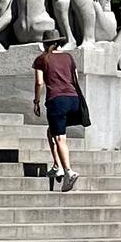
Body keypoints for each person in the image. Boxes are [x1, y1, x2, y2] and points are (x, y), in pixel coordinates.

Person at [32, 34, 83, 191]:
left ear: (44, 44)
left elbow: (39, 82)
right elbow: (75, 78)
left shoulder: (42, 59)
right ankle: (57, 165)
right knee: (52, 132)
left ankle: (68, 171)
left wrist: (36, 101)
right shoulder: (68, 57)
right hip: (73, 99)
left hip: (57, 100)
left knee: (60, 138)